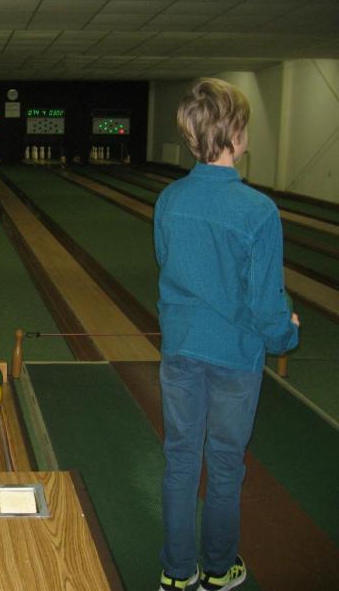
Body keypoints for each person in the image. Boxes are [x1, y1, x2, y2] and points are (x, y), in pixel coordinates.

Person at [154, 79, 299, 591]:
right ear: (235, 134)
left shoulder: (169, 199)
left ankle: (177, 573)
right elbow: (264, 302)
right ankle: (219, 569)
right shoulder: (258, 210)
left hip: (180, 349)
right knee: (224, 464)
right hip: (235, 358)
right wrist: (285, 334)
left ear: (191, 136)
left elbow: (169, 265)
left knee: (180, 459)